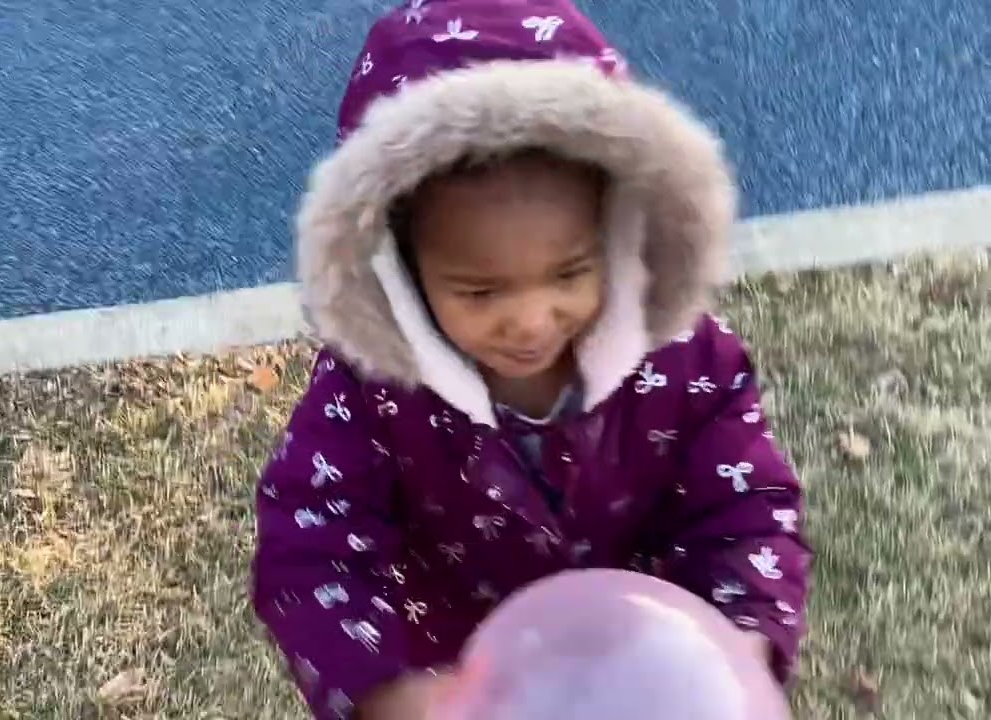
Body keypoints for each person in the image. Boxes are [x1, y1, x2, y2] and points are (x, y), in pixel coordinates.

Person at [251, 1, 813, 718]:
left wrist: (741, 639)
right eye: (480, 290)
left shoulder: (686, 360)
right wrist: (381, 689)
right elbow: (312, 537)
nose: (531, 322)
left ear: (615, 230)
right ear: (401, 265)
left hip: (641, 667)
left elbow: (745, 506)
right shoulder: (370, 393)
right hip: (468, 679)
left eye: (569, 273)